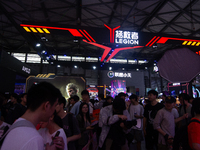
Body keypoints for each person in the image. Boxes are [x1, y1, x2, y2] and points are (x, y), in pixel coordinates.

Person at [1, 82, 64, 150]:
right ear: (46, 106)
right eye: (55, 106)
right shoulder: (34, 139)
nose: (54, 110)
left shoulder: (16, 125)